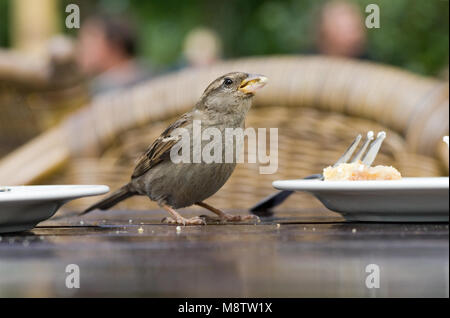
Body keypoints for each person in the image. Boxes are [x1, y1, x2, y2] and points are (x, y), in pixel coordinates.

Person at [76, 14, 150, 96]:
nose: (81, 50)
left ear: (115, 44)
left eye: (88, 43)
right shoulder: (153, 74)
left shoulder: (99, 90)